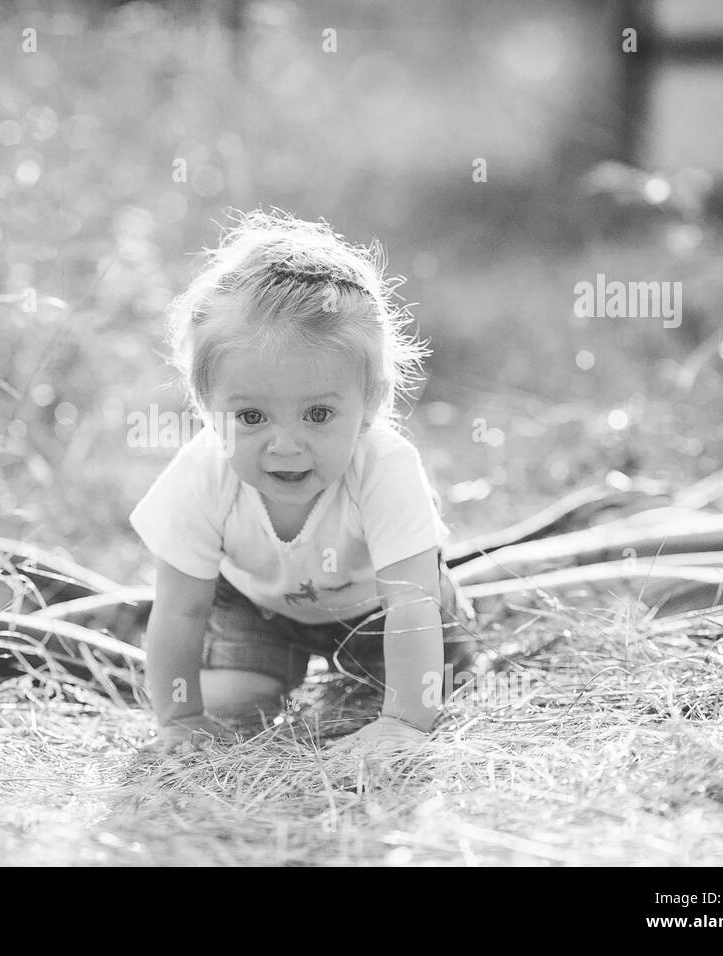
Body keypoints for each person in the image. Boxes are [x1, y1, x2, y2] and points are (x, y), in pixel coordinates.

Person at [130, 208, 477, 757]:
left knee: (442, 687)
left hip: (379, 611)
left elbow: (411, 606)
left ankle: (393, 694)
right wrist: (179, 716)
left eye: (317, 415)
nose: (285, 445)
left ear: (370, 406)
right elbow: (180, 609)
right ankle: (268, 670)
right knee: (232, 708)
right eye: (251, 417)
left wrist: (405, 725)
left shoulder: (385, 467)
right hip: (261, 611)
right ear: (206, 407)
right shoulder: (202, 474)